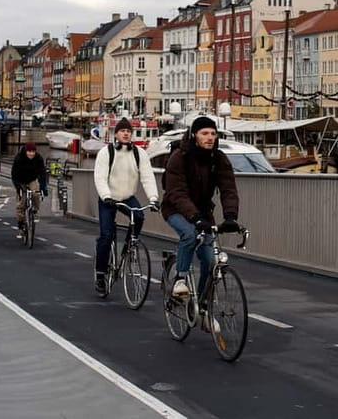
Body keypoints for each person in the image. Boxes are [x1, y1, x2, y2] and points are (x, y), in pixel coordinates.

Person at [160, 116, 240, 321]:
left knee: (210, 259)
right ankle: (180, 279)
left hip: (203, 214)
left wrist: (230, 217)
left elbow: (228, 188)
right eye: (205, 133)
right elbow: (176, 192)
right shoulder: (180, 157)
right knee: (189, 234)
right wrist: (194, 217)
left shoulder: (218, 158)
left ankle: (202, 304)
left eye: (213, 134)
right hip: (176, 209)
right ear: (194, 135)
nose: (210, 137)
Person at [92, 118, 160, 295]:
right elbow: (99, 177)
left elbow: (147, 177)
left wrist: (153, 198)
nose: (126, 133)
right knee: (106, 236)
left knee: (139, 216)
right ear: (116, 134)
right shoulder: (106, 153)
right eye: (122, 131)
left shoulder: (139, 153)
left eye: (128, 131)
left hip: (128, 196)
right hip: (108, 197)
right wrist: (106, 196)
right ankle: (100, 275)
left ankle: (130, 246)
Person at [11, 142, 48, 236]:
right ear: (26, 151)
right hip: (20, 181)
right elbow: (14, 174)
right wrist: (17, 187)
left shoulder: (38, 158)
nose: (31, 154)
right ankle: (21, 224)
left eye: (33, 152)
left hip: (31, 179)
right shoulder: (19, 158)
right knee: (21, 204)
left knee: (35, 193)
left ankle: (35, 211)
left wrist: (43, 187)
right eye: (29, 152)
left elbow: (42, 173)